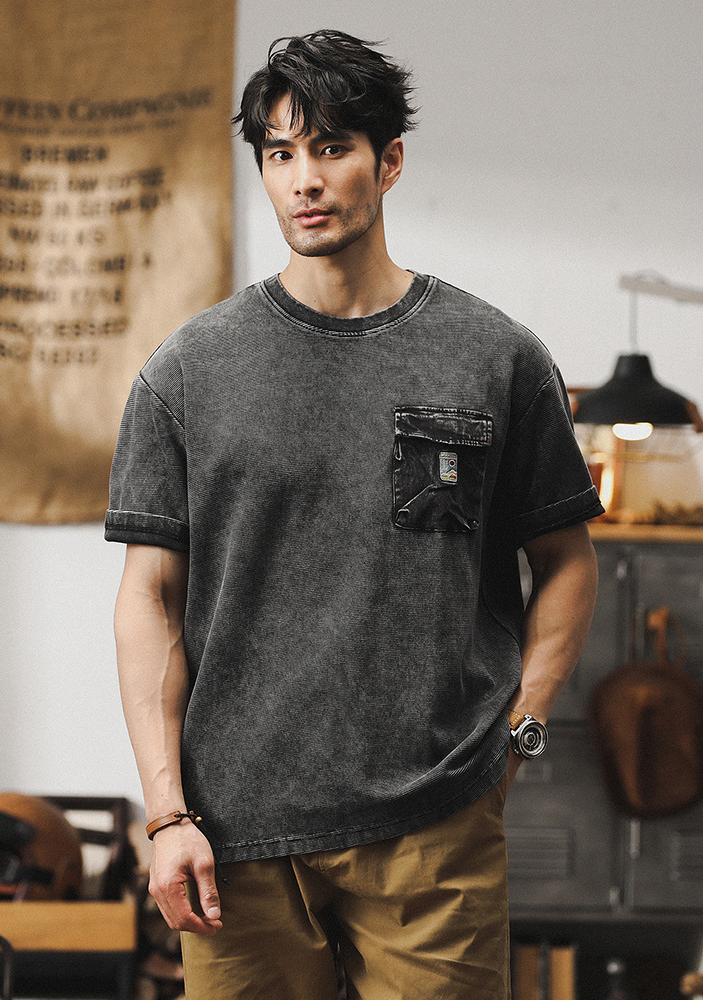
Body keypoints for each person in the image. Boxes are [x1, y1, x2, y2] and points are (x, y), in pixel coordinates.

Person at [105, 28, 603, 1000]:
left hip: (435, 822)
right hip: (236, 833)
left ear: (390, 161)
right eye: (280, 154)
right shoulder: (188, 372)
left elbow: (568, 560)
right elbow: (148, 599)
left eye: (332, 147)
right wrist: (166, 814)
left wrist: (524, 727)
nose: (306, 180)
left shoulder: (494, 356)